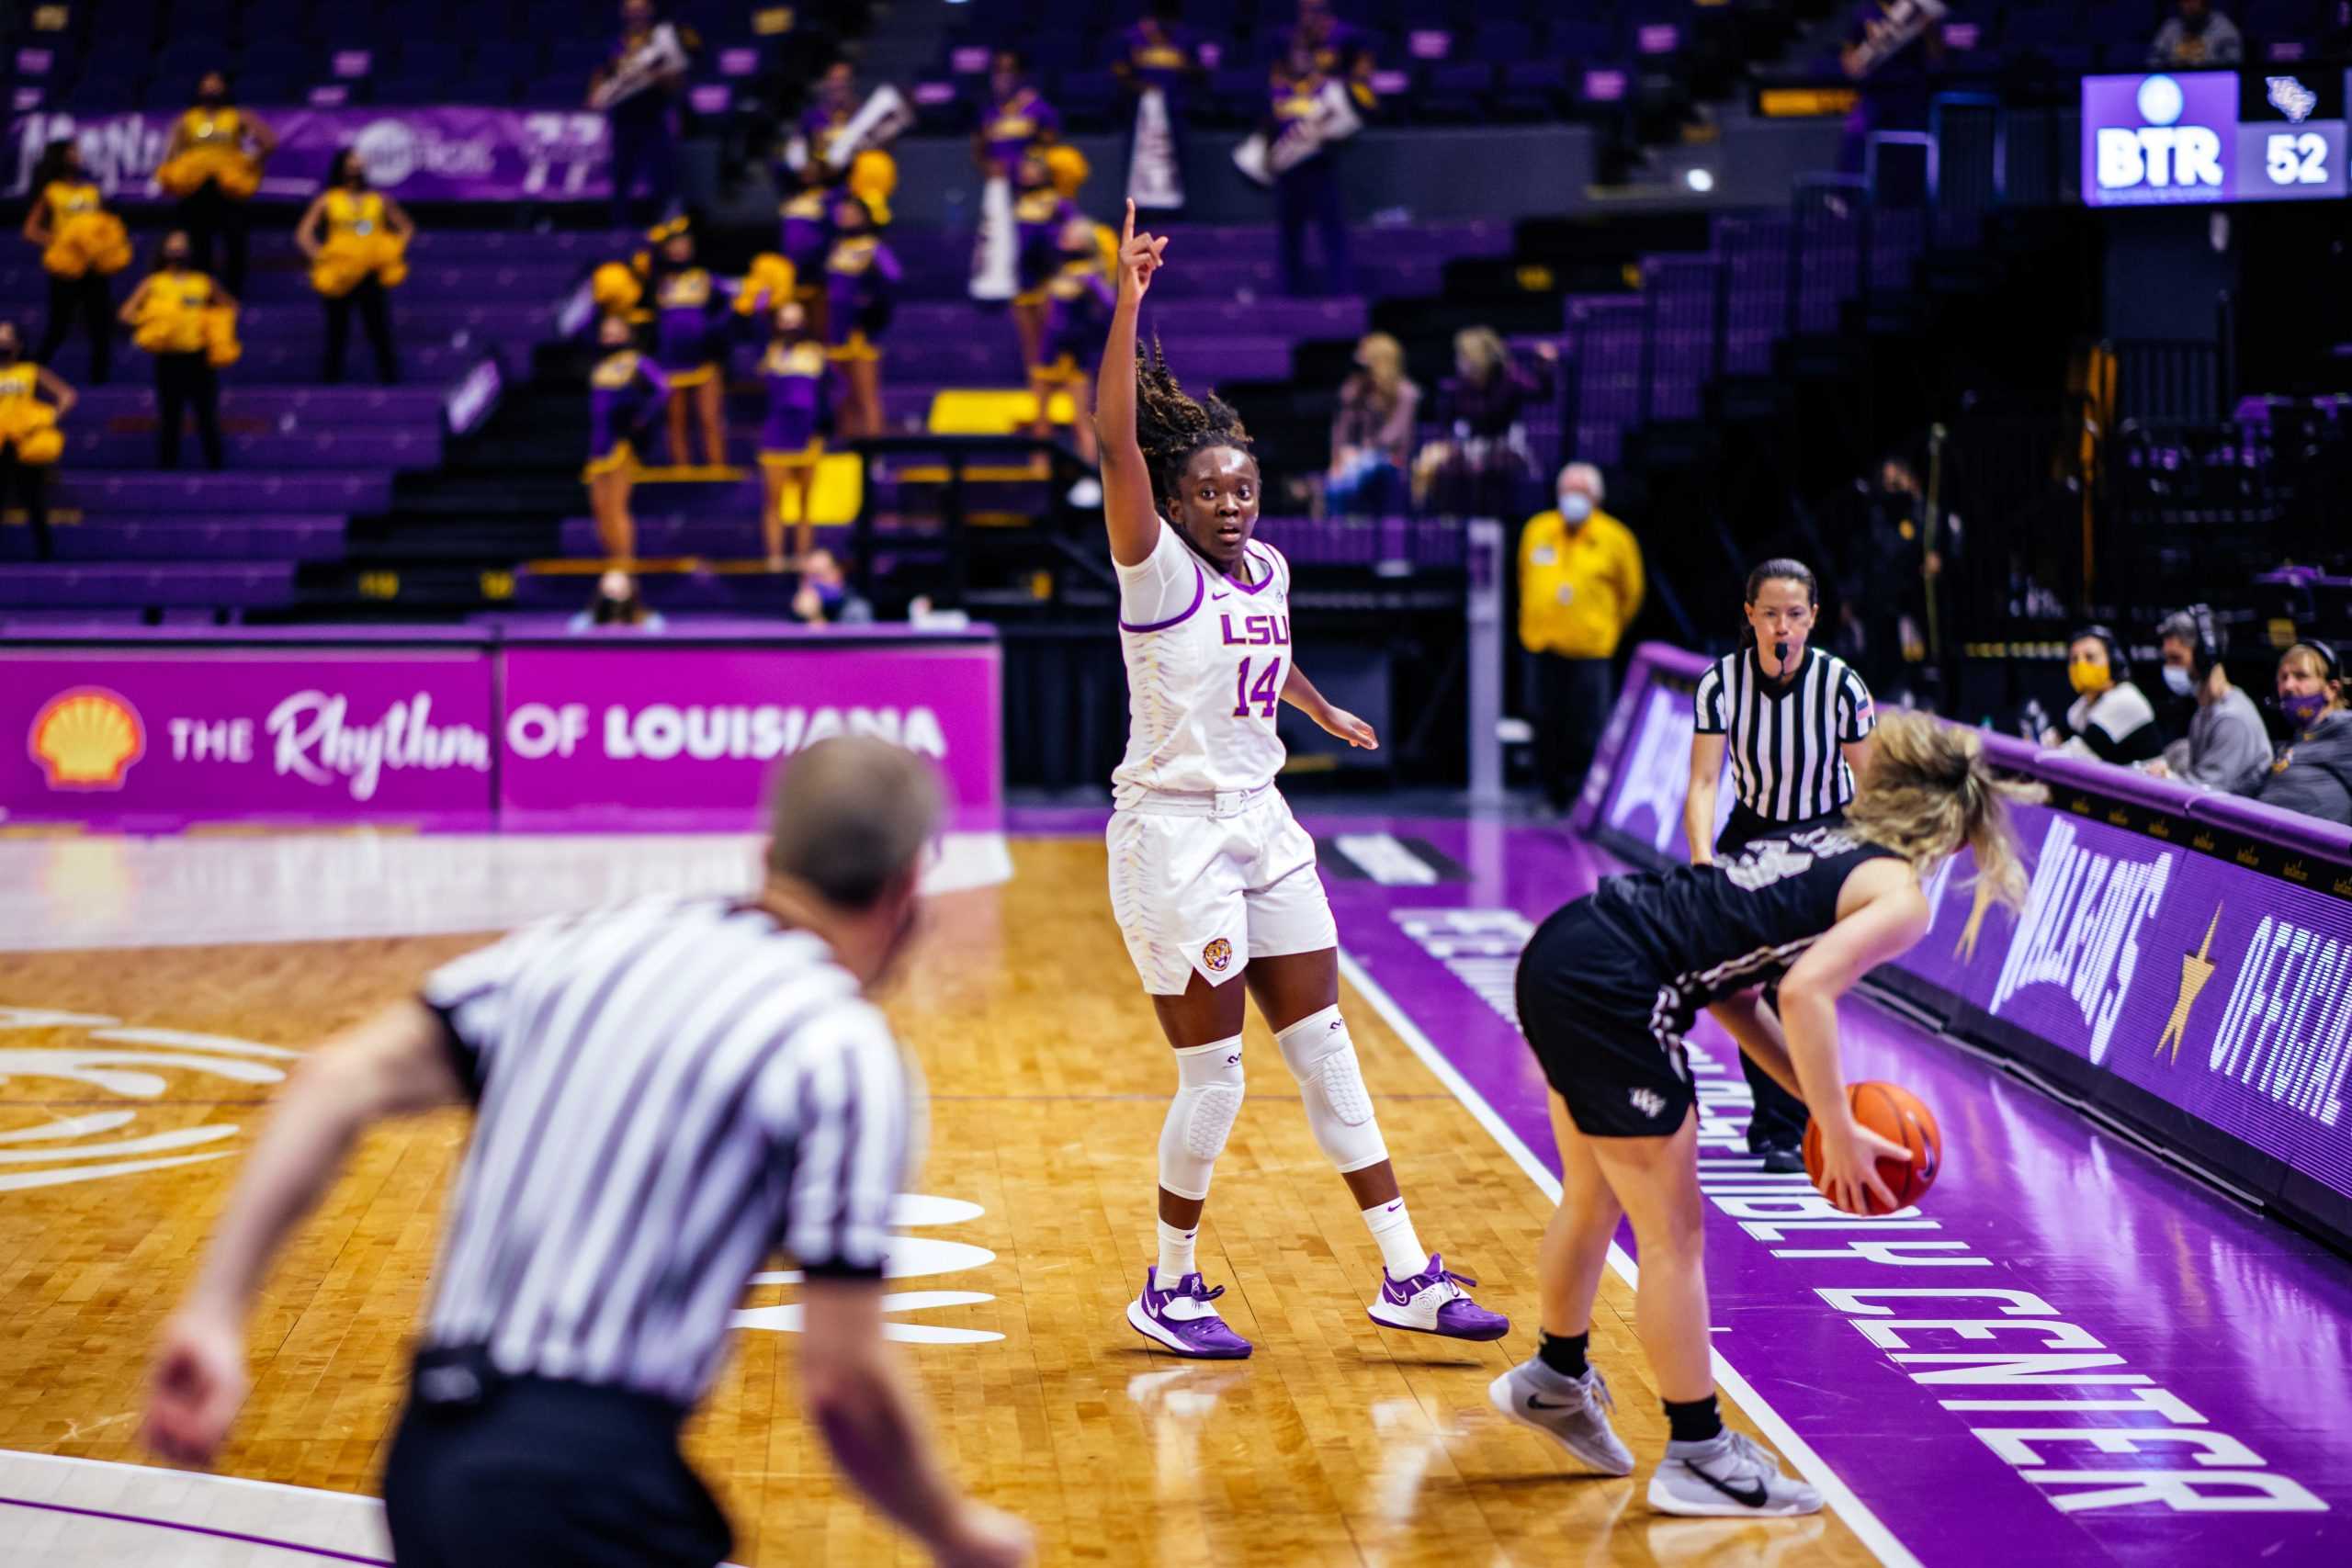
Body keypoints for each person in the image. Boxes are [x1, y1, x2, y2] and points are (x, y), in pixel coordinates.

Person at [142, 737, 1036, 1568]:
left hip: (428, 1453)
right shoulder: (840, 1050)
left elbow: (333, 1079)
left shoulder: (585, 944)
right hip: (586, 1478)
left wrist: (216, 1311)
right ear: (906, 891)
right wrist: (953, 1533)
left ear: (766, 857)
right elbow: (845, 1382)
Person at [1095, 201, 1509, 1357]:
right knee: (1216, 1077)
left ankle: (1407, 1274)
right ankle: (1167, 1283)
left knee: (1325, 1046)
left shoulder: (1268, 564)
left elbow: (1262, 659)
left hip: (1261, 822)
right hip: (1172, 834)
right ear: (1176, 504)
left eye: (1245, 491)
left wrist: (1320, 707)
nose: (1233, 506)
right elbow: (1114, 441)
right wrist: (1128, 301)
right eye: (1213, 494)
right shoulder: (1154, 569)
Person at [1495, 710, 2037, 1513]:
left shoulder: (1825, 831)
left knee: (1596, 1195)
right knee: (1675, 1235)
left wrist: (1823, 1112)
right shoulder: (1901, 895)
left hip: (1572, 943)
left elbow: (1739, 990)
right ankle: (1699, 1451)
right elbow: (1804, 991)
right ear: (1959, 837)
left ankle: (1555, 1377)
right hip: (1617, 986)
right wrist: (1840, 1126)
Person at [1685, 559, 1879, 1173]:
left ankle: (1790, 1124)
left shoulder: (1843, 685)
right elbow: (1704, 780)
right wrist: (1700, 861)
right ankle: (1778, 1128)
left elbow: (1870, 783)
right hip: (1755, 832)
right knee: (1750, 980)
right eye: (1770, 613)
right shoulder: (1720, 683)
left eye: (1795, 613)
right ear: (1750, 615)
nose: (1782, 626)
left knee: (1797, 982)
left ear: (1814, 617)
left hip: (1826, 834)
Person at [1519, 463, 1644, 814]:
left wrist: (1604, 628)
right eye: (1567, 491)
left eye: (1581, 492)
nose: (1572, 499)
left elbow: (1631, 594)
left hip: (1590, 649)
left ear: (1596, 497)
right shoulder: (1537, 529)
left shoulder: (1616, 538)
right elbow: (1526, 578)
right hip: (1542, 645)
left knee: (1587, 728)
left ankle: (1582, 798)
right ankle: (1547, 792)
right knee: (1544, 721)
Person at [297, 150, 412, 387]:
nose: (355, 168)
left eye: (359, 164)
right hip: (339, 275)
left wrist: (388, 252)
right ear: (341, 168)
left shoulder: (378, 200)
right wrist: (321, 256)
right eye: (351, 163)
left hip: (370, 274)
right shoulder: (328, 200)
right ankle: (330, 382)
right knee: (337, 330)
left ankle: (390, 380)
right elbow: (303, 234)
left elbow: (406, 228)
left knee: (378, 329)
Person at [157, 72, 274, 299]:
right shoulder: (186, 120)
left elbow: (269, 142)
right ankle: (205, 294)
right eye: (207, 84)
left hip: (228, 189)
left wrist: (248, 163)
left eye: (217, 84)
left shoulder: (238, 116)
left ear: (225, 89)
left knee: (235, 243)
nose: (211, 88)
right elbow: (171, 155)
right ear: (199, 90)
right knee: (199, 243)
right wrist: (177, 174)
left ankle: (234, 295)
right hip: (197, 190)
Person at [120, 231, 232, 472]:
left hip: (199, 358)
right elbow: (126, 313)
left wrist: (213, 329)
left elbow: (229, 308)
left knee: (206, 416)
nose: (177, 252)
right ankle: (167, 470)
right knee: (170, 416)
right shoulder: (153, 283)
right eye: (172, 247)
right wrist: (153, 322)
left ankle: (216, 469)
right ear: (163, 252)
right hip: (169, 358)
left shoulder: (203, 282)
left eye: (182, 247)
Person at [23, 138, 130, 386]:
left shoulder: (91, 192)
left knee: (101, 327)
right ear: (62, 157)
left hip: (94, 267)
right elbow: (30, 230)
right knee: (58, 327)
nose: (78, 155)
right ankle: (32, 375)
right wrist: (59, 241)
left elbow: (106, 226)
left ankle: (99, 384)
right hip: (67, 269)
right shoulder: (52, 191)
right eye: (72, 151)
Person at [1419, 327, 1553, 518]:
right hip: (1471, 445)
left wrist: (1545, 365)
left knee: (1488, 469)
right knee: (1446, 469)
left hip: (1506, 445)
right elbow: (1447, 423)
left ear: (1477, 357)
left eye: (1463, 356)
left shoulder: (1509, 379)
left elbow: (1542, 394)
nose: (1459, 362)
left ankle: (1492, 525)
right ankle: (1451, 524)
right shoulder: (1461, 385)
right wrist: (1445, 447)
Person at [2144, 606, 2268, 795]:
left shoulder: (2232, 719)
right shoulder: (2205, 710)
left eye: (2176, 658)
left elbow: (2206, 797)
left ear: (2205, 657)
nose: (2169, 668)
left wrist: (2168, 778)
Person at [969, 51, 1061, 304]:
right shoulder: (988, 110)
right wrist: (986, 167)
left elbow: (1052, 143)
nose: (1002, 77)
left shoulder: (1035, 106)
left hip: (1031, 192)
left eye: (1009, 71)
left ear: (1021, 76)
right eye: (998, 71)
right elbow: (978, 148)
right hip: (999, 190)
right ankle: (999, 287)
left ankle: (1040, 287)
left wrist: (1033, 168)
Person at [592, 0, 693, 226]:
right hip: (623, 120)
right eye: (631, 10)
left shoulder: (663, 42)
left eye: (640, 9)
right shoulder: (615, 44)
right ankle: (619, 232)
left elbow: (678, 82)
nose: (635, 14)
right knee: (621, 179)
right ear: (623, 13)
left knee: (663, 178)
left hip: (654, 118)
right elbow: (600, 78)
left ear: (650, 10)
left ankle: (669, 232)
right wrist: (597, 95)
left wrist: (654, 75)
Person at [584, 311, 671, 573]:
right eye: (606, 334)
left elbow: (663, 389)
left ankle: (626, 566)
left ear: (627, 335)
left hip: (620, 443)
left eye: (616, 333)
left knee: (617, 507)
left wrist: (640, 419)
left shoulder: (636, 362)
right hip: (597, 444)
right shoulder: (599, 367)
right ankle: (612, 565)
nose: (610, 339)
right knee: (599, 509)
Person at [648, 223, 731, 469]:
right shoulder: (657, 282)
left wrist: (711, 335)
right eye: (673, 245)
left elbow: (727, 309)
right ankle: (681, 470)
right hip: (671, 361)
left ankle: (717, 467)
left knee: (709, 418)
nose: (679, 249)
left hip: (703, 360)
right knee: (676, 421)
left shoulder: (705, 279)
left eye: (684, 244)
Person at [2242, 640, 2352, 827]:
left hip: (2313, 850)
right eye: (2283, 678)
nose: (2288, 686)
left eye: (2300, 676)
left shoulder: (2345, 728)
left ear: (2331, 689)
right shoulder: (2295, 743)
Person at [757, 299, 829, 569]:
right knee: (773, 502)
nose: (791, 326)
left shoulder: (815, 353)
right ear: (776, 324)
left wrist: (824, 419)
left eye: (796, 320)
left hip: (807, 434)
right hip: (776, 434)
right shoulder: (769, 353)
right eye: (785, 320)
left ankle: (802, 558)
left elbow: (835, 388)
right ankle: (774, 559)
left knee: (805, 504)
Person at [1114, 1, 1204, 214]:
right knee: (1139, 163)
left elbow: (1201, 72)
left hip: (1176, 110)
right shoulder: (1132, 37)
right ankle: (1137, 211)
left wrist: (1185, 66)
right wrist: (1141, 87)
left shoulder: (1186, 37)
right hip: (1139, 114)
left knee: (1175, 161)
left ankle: (1177, 210)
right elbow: (1119, 73)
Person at [826, 192, 900, 442]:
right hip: (836, 331)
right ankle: (846, 449)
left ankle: (874, 457)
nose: (846, 216)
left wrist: (871, 304)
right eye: (843, 212)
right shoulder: (836, 246)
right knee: (841, 394)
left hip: (861, 332)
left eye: (853, 212)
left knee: (866, 394)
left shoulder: (873, 247)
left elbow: (893, 279)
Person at [0, 321, 75, 561]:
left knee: (34, 501)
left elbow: (67, 395)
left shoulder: (30, 371)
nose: (3, 342)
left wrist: (48, 417)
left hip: (25, 443)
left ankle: (45, 555)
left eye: (7, 337)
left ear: (18, 344)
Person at [1325, 332, 1417, 516]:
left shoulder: (1405, 392)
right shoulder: (1356, 390)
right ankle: (1341, 531)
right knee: (1337, 478)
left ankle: (1348, 527)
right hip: (1357, 457)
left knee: (1350, 474)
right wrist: (1339, 455)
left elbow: (1395, 435)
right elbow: (1341, 430)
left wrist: (1361, 451)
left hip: (1391, 458)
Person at [2043, 626, 2162, 767]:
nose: (2081, 666)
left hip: (2148, 786)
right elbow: (2050, 740)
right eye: (2074, 660)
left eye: (2090, 657)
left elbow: (2075, 757)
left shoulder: (2125, 698)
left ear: (2113, 662)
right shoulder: (2086, 703)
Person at [567, 568, 668, 633]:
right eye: (610, 592)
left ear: (632, 592)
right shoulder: (583, 622)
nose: (614, 600)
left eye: (620, 591)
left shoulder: (652, 623)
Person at [793, 547, 874, 626]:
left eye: (819, 574)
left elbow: (847, 639)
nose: (814, 582)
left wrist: (815, 617)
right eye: (809, 577)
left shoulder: (856, 609)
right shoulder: (798, 610)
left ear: (837, 573)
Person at [2150, 0, 2243, 66]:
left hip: (2212, 85)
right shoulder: (2169, 29)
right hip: (2174, 85)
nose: (2190, 5)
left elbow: (2233, 66)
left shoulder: (2224, 28)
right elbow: (2153, 62)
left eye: (2195, 0)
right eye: (2186, 1)